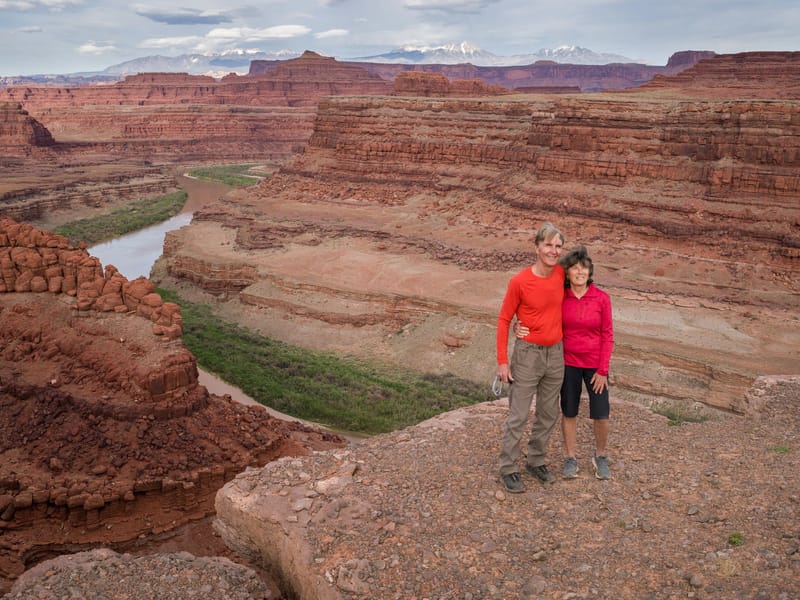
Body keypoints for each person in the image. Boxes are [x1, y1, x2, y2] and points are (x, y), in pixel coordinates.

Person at [516, 245, 614, 480]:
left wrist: (602, 370)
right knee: (569, 412)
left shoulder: (601, 299)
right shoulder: (561, 297)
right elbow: (538, 314)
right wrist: (518, 325)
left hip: (594, 366)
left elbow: (607, 335)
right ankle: (570, 458)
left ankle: (600, 456)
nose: (580, 272)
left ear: (590, 271)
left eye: (584, 268)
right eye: (575, 268)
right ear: (568, 273)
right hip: (567, 363)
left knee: (601, 414)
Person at [496, 222, 566, 493]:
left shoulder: (562, 274)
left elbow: (583, 282)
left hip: (555, 354)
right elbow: (504, 319)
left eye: (558, 246)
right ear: (537, 247)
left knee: (549, 413)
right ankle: (508, 468)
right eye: (548, 245)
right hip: (527, 355)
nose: (553, 250)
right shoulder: (520, 281)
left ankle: (536, 460)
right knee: (519, 415)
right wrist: (503, 361)